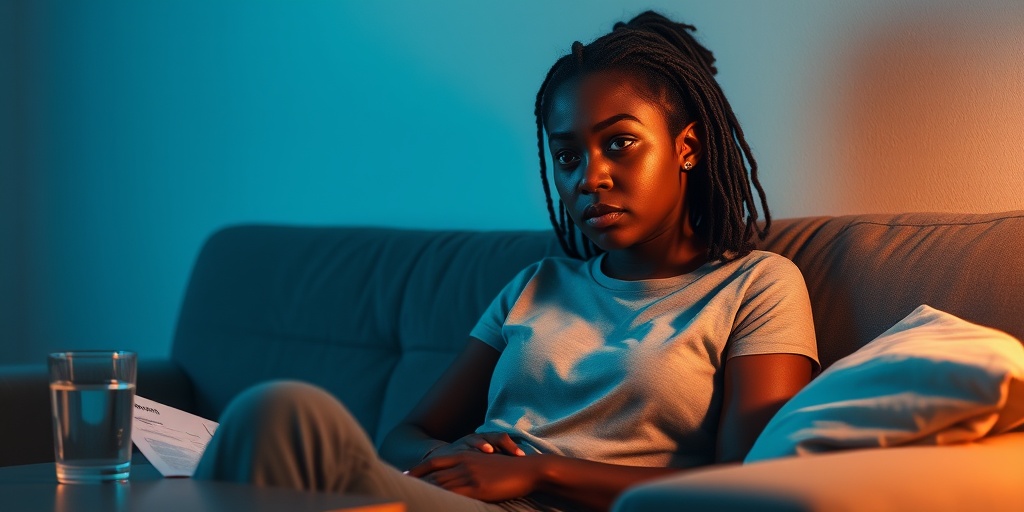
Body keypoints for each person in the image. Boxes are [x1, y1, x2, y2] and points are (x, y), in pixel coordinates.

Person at [193, 10, 818, 512]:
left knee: (283, 419)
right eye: (567, 156)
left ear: (687, 148)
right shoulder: (537, 285)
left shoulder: (756, 286)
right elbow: (406, 436)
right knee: (276, 414)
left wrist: (534, 471)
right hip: (460, 498)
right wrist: (465, 451)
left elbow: (741, 487)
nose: (589, 177)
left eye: (620, 144)